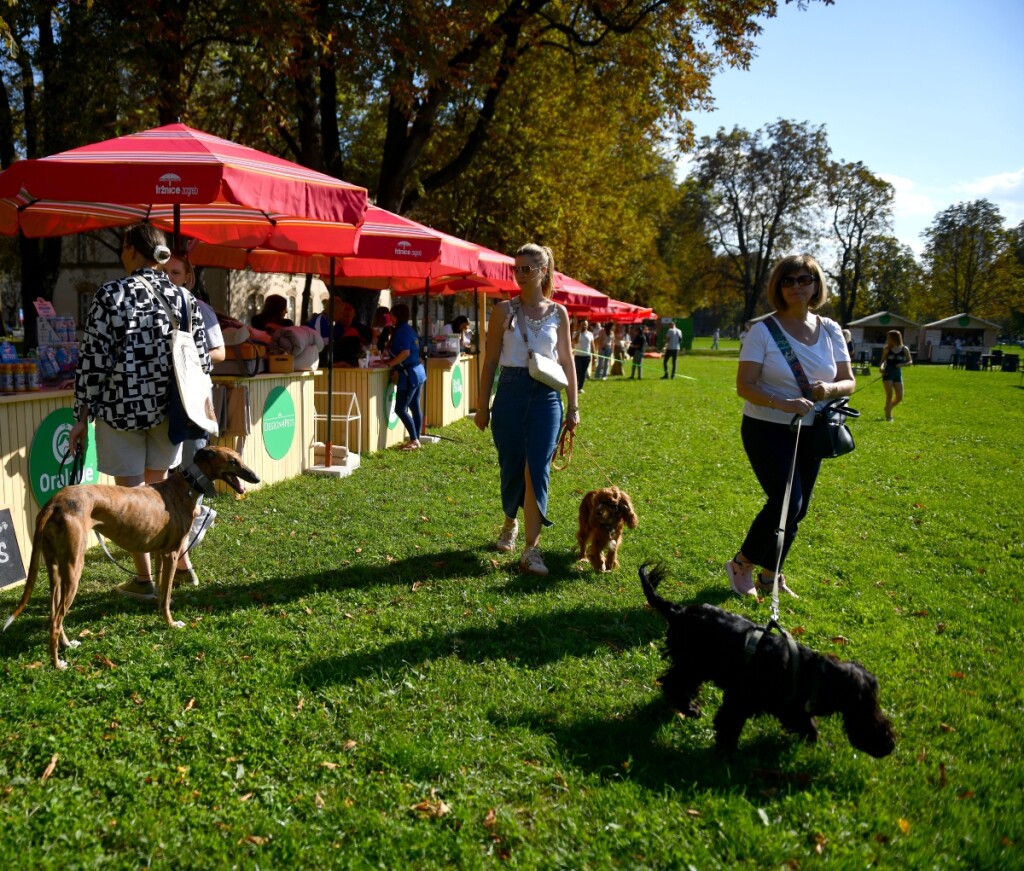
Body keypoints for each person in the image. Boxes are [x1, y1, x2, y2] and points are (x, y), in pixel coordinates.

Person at [69, 223, 212, 601]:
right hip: (171, 412)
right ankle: (180, 567)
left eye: (122, 247)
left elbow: (93, 363)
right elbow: (202, 362)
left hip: (122, 410)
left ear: (131, 249)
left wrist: (80, 417)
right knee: (161, 492)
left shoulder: (111, 295)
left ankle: (145, 579)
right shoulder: (185, 298)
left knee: (131, 497)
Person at [726, 254, 854, 599]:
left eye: (804, 279)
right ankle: (741, 563)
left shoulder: (830, 330)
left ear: (816, 285)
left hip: (814, 430)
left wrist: (828, 390)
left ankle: (771, 576)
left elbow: (849, 380)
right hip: (766, 427)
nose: (796, 286)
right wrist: (782, 402)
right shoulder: (762, 331)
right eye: (788, 280)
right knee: (787, 501)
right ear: (778, 287)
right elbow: (744, 386)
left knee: (799, 510)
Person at [474, 243, 579, 576]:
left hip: (547, 397)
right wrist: (482, 406)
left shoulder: (559, 313)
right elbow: (490, 361)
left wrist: (574, 406)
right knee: (511, 466)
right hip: (510, 393)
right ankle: (510, 521)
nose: (519, 274)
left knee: (537, 469)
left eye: (527, 269)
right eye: (515, 268)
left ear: (543, 271)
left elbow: (567, 360)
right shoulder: (503, 310)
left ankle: (532, 550)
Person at [161, 250, 226, 587]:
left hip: (193, 400)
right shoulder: (154, 307)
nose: (169, 278)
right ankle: (179, 534)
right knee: (170, 476)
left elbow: (220, 352)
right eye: (165, 272)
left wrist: (186, 355)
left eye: (175, 273)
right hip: (165, 404)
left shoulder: (199, 308)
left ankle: (192, 527)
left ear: (188, 277)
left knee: (192, 470)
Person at [387, 303, 427, 450]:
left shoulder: (402, 332)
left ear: (397, 316)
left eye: (391, 315)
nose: (390, 318)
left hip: (409, 374)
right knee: (414, 405)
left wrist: (389, 364)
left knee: (400, 408)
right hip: (418, 372)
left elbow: (405, 353)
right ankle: (416, 438)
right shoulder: (407, 329)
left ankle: (414, 439)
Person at [880, 329, 911, 422]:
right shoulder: (887, 348)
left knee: (900, 397)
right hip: (888, 373)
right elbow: (882, 361)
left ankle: (888, 408)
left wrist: (902, 364)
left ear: (895, 338)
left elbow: (910, 361)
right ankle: (889, 416)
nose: (887, 339)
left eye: (889, 337)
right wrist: (881, 368)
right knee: (889, 395)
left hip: (897, 373)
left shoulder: (904, 349)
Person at [573, 318, 594, 394]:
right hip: (578, 356)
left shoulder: (590, 334)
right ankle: (575, 386)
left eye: (585, 324)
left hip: (587, 356)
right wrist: (579, 332)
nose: (584, 326)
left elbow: (592, 345)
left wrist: (594, 355)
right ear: (579, 325)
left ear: (587, 325)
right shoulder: (575, 333)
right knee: (578, 371)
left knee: (583, 372)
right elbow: (575, 341)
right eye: (582, 324)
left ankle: (580, 388)